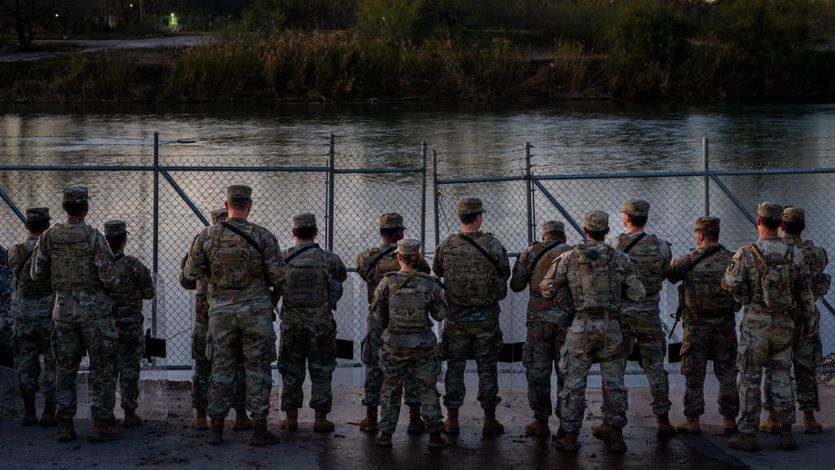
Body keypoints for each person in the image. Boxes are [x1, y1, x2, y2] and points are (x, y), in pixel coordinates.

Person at [183, 185, 285, 446]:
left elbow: (188, 277)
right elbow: (280, 277)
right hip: (256, 314)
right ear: (249, 205)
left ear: (226, 204)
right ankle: (259, 428)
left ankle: (216, 428)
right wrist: (269, 301)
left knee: (220, 369)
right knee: (258, 369)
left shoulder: (206, 236)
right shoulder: (264, 237)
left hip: (221, 315)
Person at [540, 210, 645, 453]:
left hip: (581, 326)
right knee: (614, 384)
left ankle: (571, 436)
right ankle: (617, 435)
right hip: (611, 327)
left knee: (574, 383)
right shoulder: (621, 259)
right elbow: (638, 294)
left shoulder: (568, 258)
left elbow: (546, 289)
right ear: (607, 231)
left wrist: (568, 299)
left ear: (585, 231)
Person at [722, 202, 816, 451]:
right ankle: (786, 433)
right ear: (780, 224)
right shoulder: (794, 253)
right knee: (783, 376)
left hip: (756, 323)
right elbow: (805, 291)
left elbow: (730, 284)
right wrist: (809, 319)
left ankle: (747, 435)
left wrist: (743, 296)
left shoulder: (747, 252)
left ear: (758, 222)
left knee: (750, 378)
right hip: (785, 322)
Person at [31, 185, 119, 442]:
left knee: (65, 368)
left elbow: (37, 273)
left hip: (63, 311)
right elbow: (110, 277)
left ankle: (65, 424)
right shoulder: (94, 237)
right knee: (101, 369)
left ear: (64, 207)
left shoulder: (48, 237)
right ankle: (101, 424)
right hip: (95, 314)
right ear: (86, 208)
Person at [433, 197, 510, 436]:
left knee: (455, 367)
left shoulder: (447, 244)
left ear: (461, 217)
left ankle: (452, 419)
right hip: (485, 318)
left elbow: (437, 270)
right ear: (479, 217)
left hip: (456, 317)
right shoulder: (493, 244)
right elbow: (505, 272)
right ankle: (489, 419)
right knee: (487, 367)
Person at [356, 213, 430, 434]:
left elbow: (362, 273)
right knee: (411, 367)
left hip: (379, 318)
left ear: (381, 232)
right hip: (408, 319)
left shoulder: (366, 258)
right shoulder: (416, 258)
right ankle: (415, 419)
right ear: (400, 233)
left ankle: (371, 419)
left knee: (374, 367)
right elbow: (423, 275)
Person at [371, 239, 447, 449]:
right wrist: (442, 298)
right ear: (418, 258)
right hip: (423, 344)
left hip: (395, 344)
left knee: (390, 388)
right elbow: (440, 315)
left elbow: (378, 315)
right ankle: (434, 435)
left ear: (398, 257)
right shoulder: (429, 283)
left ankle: (385, 434)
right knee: (427, 388)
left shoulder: (387, 282)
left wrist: (392, 328)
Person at [180, 208, 251, 432]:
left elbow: (186, 278)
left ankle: (201, 416)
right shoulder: (246, 242)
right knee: (238, 367)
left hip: (205, 318)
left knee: (203, 367)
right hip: (236, 315)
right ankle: (240, 415)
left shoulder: (202, 243)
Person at [608, 199, 674, 438]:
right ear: (645, 218)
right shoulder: (661, 245)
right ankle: (663, 420)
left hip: (621, 314)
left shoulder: (614, 244)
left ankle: (613, 424)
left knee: (615, 368)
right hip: (649, 314)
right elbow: (666, 273)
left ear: (626, 217)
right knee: (655, 366)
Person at [761, 206, 829, 435]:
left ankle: (772, 416)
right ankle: (809, 417)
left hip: (780, 317)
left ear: (781, 226)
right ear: (803, 226)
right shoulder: (816, 253)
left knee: (776, 367)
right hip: (807, 317)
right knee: (806, 367)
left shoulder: (776, 251)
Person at [667, 217, 738, 435]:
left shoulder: (688, 259)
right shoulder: (732, 259)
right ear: (716, 233)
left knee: (693, 374)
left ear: (700, 234)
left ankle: (693, 420)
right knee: (727, 372)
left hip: (696, 326)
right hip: (724, 325)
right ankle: (729, 420)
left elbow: (670, 274)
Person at [277, 213, 347, 434]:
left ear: (293, 233)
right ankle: (320, 418)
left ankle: (291, 418)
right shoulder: (329, 258)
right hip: (321, 324)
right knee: (321, 369)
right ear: (316, 232)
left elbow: (275, 283)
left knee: (291, 370)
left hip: (292, 324)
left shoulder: (283, 258)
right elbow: (341, 278)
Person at [509, 220, 573, 437]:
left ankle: (541, 421)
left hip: (538, 322)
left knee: (538, 371)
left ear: (544, 235)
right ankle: (566, 424)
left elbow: (516, 286)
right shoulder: (573, 253)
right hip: (567, 321)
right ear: (562, 236)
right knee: (566, 372)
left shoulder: (530, 252)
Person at [103, 220, 155, 428]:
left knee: (106, 368)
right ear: (125, 239)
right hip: (130, 324)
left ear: (106, 241)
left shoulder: (98, 266)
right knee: (130, 366)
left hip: (105, 323)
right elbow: (149, 292)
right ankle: (130, 411)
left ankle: (105, 412)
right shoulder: (134, 265)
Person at [7, 207, 56, 426]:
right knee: (52, 361)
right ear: (48, 226)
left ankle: (29, 411)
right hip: (49, 314)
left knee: (26, 362)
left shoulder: (14, 251)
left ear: (26, 226)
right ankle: (48, 410)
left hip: (24, 314)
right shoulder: (53, 252)